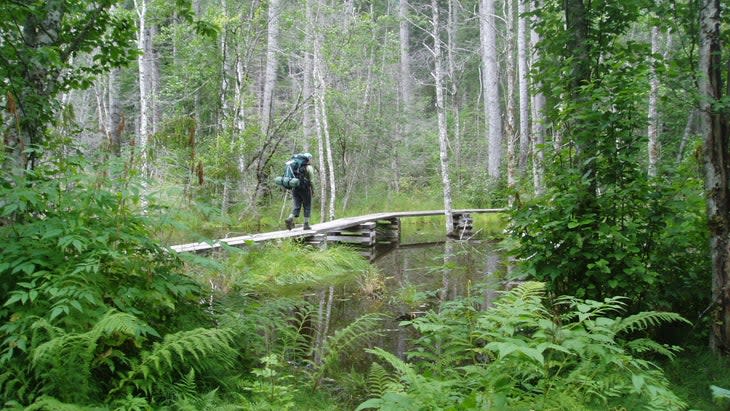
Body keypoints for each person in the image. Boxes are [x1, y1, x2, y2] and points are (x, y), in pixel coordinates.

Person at [285, 152, 315, 230]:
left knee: (297, 206)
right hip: (305, 188)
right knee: (307, 206)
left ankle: (290, 218)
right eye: (311, 158)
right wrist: (313, 190)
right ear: (308, 159)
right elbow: (311, 180)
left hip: (295, 187)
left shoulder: (295, 165)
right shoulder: (308, 167)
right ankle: (306, 225)